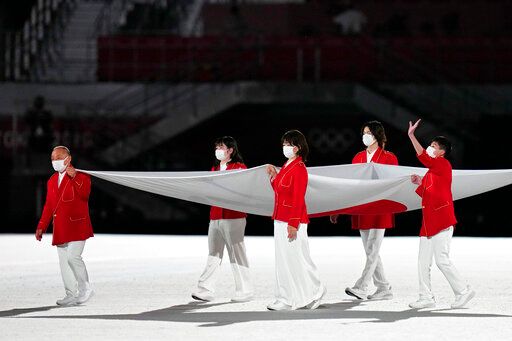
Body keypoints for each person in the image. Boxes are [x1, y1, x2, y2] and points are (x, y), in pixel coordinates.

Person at [407, 119, 475, 309]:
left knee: (442, 260)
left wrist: (412, 135)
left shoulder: (442, 164)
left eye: (433, 146)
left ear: (441, 152)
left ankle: (463, 291)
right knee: (423, 263)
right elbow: (431, 190)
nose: (429, 148)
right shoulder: (432, 171)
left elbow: (422, 157)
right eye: (430, 145)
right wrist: (420, 181)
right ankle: (425, 297)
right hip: (428, 222)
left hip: (441, 221)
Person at [331, 121, 397, 300]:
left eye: (368, 132)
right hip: (362, 209)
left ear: (377, 135)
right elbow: (351, 186)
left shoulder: (389, 158)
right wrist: (339, 207)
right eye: (364, 132)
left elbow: (392, 184)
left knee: (373, 249)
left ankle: (362, 286)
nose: (365, 135)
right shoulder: (358, 157)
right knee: (371, 251)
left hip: (380, 208)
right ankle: (384, 288)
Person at [266, 130, 325, 311]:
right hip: (280, 218)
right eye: (284, 144)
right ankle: (285, 296)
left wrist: (293, 223)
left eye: (289, 144)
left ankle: (314, 292)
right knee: (283, 260)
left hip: (293, 221)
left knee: (298, 259)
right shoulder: (287, 165)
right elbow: (280, 190)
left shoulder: (299, 168)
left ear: (298, 148)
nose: (285, 147)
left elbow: (298, 198)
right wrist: (274, 176)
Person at [192, 136, 254, 303]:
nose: (218, 150)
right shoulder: (214, 168)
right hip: (215, 216)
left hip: (234, 217)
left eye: (221, 147)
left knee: (237, 254)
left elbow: (242, 190)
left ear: (230, 150)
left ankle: (245, 290)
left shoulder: (240, 168)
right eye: (216, 147)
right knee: (214, 254)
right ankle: (205, 289)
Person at [35, 146, 94, 306]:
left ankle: (85, 288)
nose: (55, 161)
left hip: (77, 225)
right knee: (64, 262)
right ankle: (70, 293)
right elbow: (49, 205)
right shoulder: (52, 180)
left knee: (72, 257)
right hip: (61, 228)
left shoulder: (81, 175)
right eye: (53, 158)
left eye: (59, 157)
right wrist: (42, 225)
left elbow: (85, 194)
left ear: (68, 159)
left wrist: (75, 177)